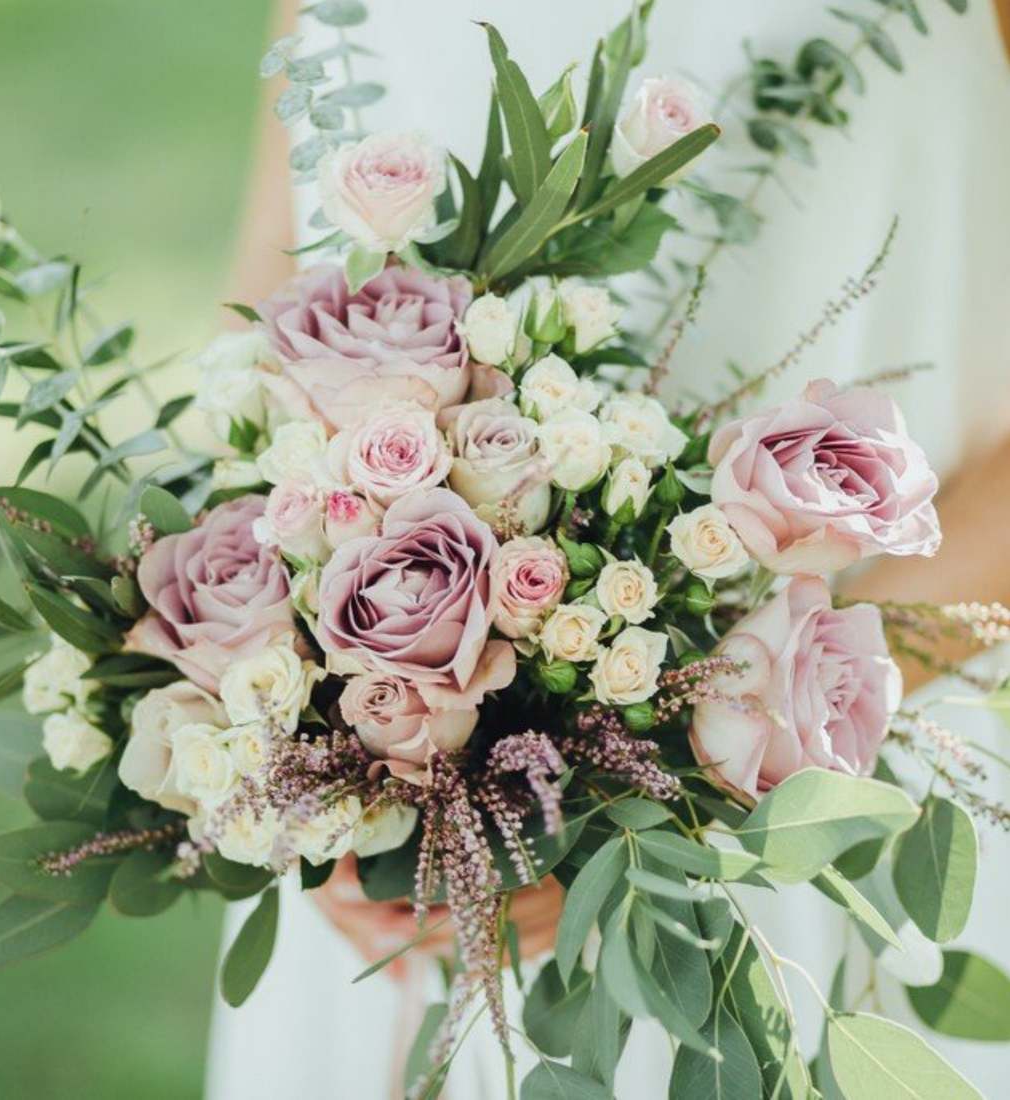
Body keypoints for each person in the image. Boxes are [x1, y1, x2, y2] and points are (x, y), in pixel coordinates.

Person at [208, 2, 1010, 1097]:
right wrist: (290, 727)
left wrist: (694, 755)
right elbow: (268, 290)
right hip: (394, 829)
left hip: (846, 770)